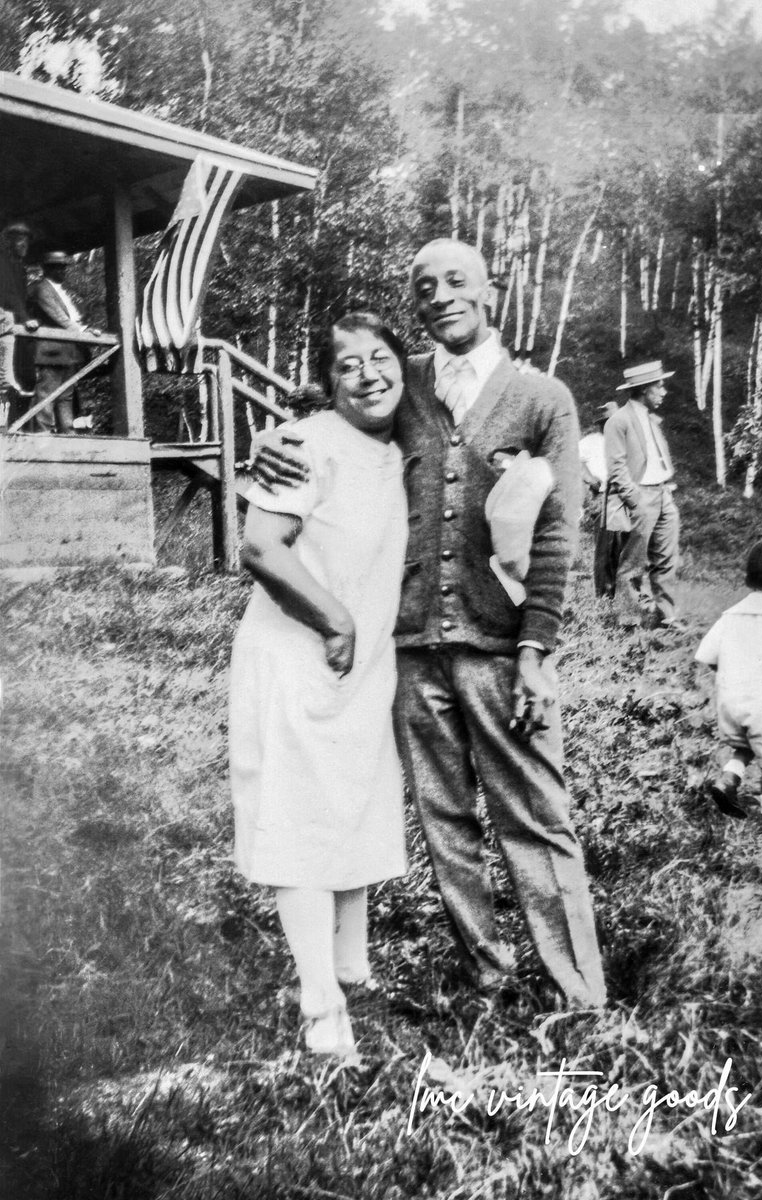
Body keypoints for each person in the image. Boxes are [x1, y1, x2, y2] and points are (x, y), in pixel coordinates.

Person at [253, 239, 606, 1010]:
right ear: (413, 306)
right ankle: (486, 975)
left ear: (491, 290)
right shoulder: (403, 381)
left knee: (535, 818)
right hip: (411, 652)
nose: (440, 294)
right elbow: (333, 404)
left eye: (456, 280)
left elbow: (556, 535)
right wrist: (273, 437)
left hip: (500, 648)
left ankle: (579, 994)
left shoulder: (544, 399)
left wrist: (536, 651)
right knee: (444, 823)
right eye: (423, 286)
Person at [230, 312, 408, 1057]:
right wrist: (334, 620)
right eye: (347, 366)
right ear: (326, 384)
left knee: (353, 798)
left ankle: (348, 965)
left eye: (380, 357)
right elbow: (260, 546)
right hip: (298, 647)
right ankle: (318, 1003)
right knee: (303, 813)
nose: (368, 374)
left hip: (361, 660)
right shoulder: (307, 446)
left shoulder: (402, 446)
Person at [695, 538, 762, 823]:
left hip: (731, 704)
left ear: (748, 578)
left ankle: (728, 779)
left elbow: (707, 655)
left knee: (747, 744)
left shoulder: (730, 615)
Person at [604, 360, 681, 629]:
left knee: (666, 559)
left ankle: (667, 617)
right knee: (633, 563)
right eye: (659, 386)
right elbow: (616, 466)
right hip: (641, 497)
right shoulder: (619, 421)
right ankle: (628, 620)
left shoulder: (652, 420)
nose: (664, 391)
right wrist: (634, 500)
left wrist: (667, 491)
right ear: (644, 389)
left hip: (663, 495)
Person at [28, 250, 92, 434]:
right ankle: (42, 434)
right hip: (51, 351)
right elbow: (59, 318)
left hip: (68, 352)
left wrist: (84, 331)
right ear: (47, 269)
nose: (63, 272)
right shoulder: (41, 288)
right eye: (58, 268)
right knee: (47, 394)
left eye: (64, 268)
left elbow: (71, 318)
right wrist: (83, 333)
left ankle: (68, 432)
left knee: (66, 396)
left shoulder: (60, 291)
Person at [579, 401, 622, 598]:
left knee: (620, 547)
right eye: (608, 422)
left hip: (620, 496)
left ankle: (616, 592)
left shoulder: (623, 441)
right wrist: (590, 479)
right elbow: (575, 463)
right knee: (604, 545)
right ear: (602, 423)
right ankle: (602, 595)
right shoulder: (590, 441)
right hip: (600, 495)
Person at [0, 220, 32, 425]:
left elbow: (21, 297)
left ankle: (14, 424)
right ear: (9, 242)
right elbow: (8, 294)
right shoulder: (2, 263)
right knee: (5, 377)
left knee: (23, 377)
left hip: (15, 327)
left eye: (26, 242)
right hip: (5, 323)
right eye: (20, 241)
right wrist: (26, 318)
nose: (24, 246)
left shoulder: (21, 269)